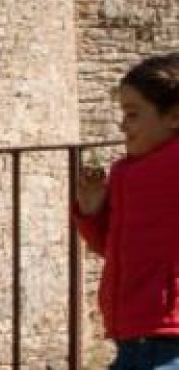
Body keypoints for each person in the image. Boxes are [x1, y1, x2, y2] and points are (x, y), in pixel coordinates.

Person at [73, 53, 179, 370]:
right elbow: (112, 248)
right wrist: (92, 211)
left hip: (170, 337)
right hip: (130, 338)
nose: (122, 125)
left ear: (174, 116)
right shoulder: (123, 172)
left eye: (132, 114)